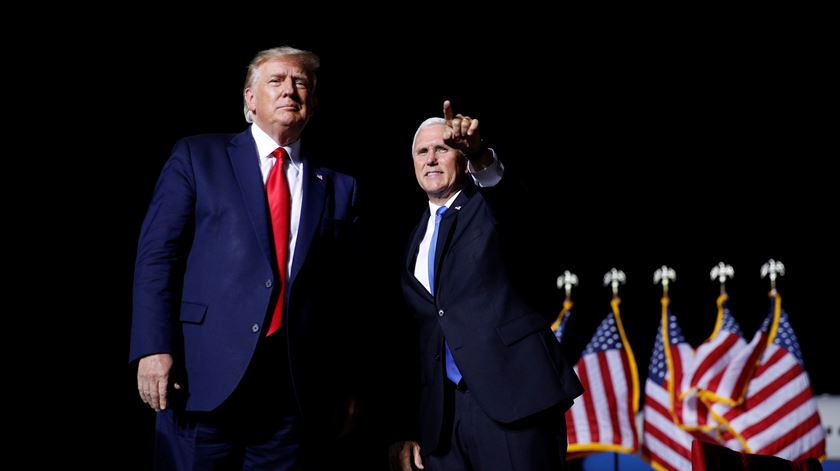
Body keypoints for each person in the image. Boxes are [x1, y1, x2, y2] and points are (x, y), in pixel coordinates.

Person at [130, 46, 364, 469]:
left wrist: (345, 385)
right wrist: (152, 347)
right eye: (276, 81)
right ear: (249, 99)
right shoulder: (197, 156)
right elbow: (157, 258)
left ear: (313, 103)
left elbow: (343, 297)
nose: (290, 91)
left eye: (301, 83)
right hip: (200, 377)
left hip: (291, 394)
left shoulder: (338, 186)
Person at [390, 101, 584, 470]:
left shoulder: (490, 206)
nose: (431, 158)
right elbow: (414, 336)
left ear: (460, 157)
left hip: (512, 397)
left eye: (441, 149)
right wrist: (408, 425)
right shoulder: (412, 237)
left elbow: (513, 203)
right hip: (443, 420)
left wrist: (480, 155)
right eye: (422, 151)